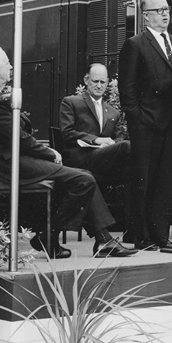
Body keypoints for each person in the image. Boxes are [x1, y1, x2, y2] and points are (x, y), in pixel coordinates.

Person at [0, 45, 136, 259]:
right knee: (83, 179)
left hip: (15, 161)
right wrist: (48, 152)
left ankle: (101, 240)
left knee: (84, 177)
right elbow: (19, 139)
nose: (11, 66)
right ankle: (49, 236)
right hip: (10, 166)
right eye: (8, 62)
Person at [118, 0, 172, 250]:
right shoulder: (136, 44)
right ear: (146, 15)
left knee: (167, 181)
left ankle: (160, 234)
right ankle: (141, 236)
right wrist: (137, 120)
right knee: (143, 180)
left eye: (167, 9)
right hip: (146, 125)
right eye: (158, 10)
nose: (164, 14)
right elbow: (126, 91)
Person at [59, 63, 132, 232]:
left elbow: (119, 138)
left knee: (132, 167)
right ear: (86, 80)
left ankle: (131, 228)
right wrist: (96, 141)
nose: (99, 85)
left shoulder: (113, 112)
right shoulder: (71, 102)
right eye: (95, 81)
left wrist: (111, 144)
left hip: (104, 163)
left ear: (107, 84)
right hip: (81, 159)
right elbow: (67, 133)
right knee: (128, 148)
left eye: (103, 82)